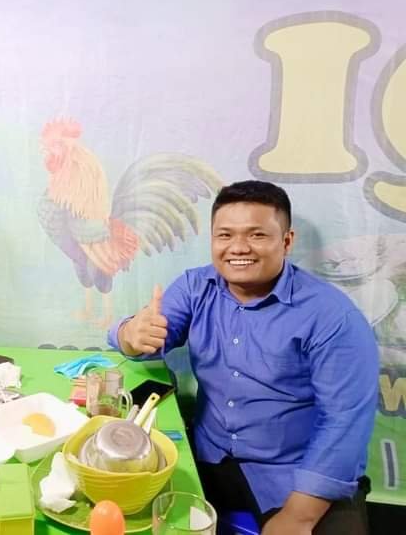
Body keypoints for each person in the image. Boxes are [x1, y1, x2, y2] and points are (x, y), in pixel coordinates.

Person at [108, 180, 378, 534]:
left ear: (287, 241)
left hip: (296, 472)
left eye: (257, 235)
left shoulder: (332, 317)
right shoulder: (194, 287)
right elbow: (146, 337)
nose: (238, 247)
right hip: (209, 455)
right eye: (225, 235)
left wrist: (298, 516)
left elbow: (344, 423)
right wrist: (130, 334)